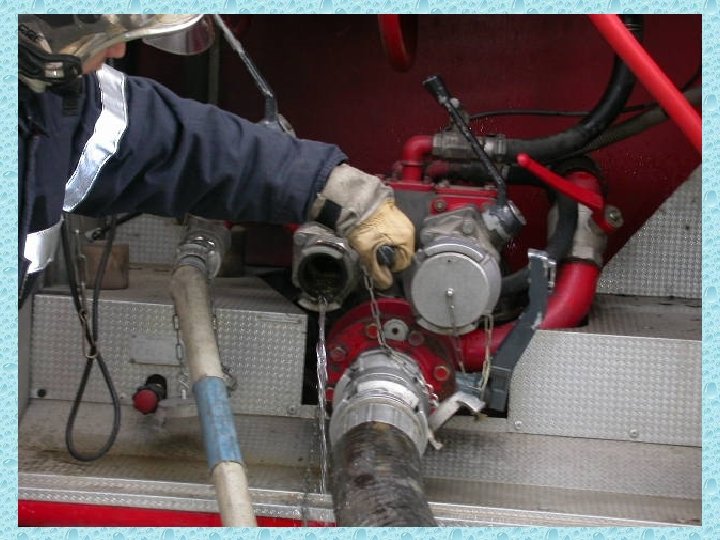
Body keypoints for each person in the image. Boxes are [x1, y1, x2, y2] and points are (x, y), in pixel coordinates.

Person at [18, 14, 415, 306]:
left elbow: (164, 141)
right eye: (94, 25)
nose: (119, 50)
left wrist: (334, 191)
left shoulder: (52, 93)